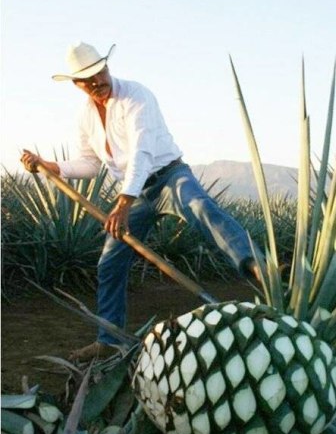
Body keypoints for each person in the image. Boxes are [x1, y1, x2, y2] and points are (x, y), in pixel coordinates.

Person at [21, 41, 262, 361]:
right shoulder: (86, 116)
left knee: (200, 207)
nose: (99, 82)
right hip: (136, 196)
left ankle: (260, 268)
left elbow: (142, 155)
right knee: (109, 263)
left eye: (101, 72)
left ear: (106, 67)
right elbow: (91, 164)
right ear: (77, 85)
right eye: (89, 80)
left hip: (169, 176)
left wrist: (121, 205)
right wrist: (54, 167)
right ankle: (109, 340)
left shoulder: (136, 96)